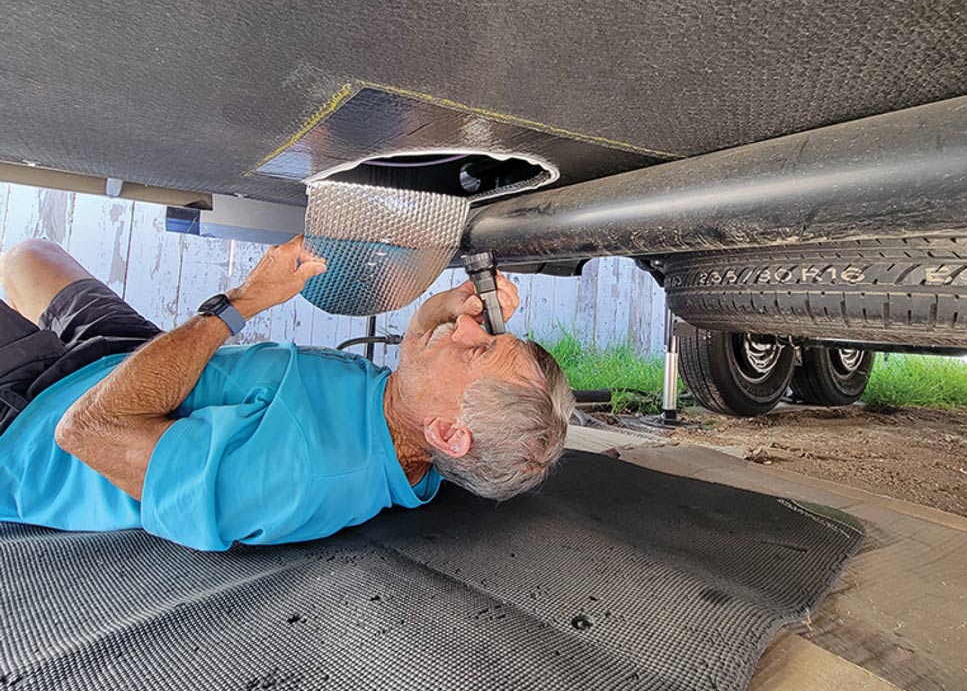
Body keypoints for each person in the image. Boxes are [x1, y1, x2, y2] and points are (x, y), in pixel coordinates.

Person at [0, 235, 573, 551]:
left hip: (32, 421)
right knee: (30, 255)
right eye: (492, 332)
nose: (472, 329)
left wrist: (243, 301)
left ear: (448, 432)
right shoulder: (415, 439)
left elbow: (86, 431)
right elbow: (421, 352)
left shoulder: (296, 475)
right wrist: (448, 310)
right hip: (138, 362)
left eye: (477, 349)